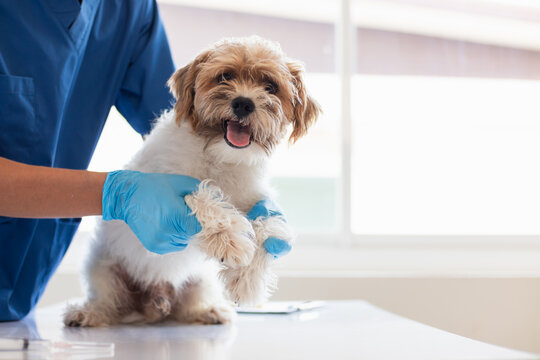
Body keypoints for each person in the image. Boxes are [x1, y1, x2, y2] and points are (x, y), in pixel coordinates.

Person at [0, 0, 290, 322]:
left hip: (20, 293)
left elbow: (182, 119)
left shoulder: (127, 9)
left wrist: (242, 195)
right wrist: (116, 195)